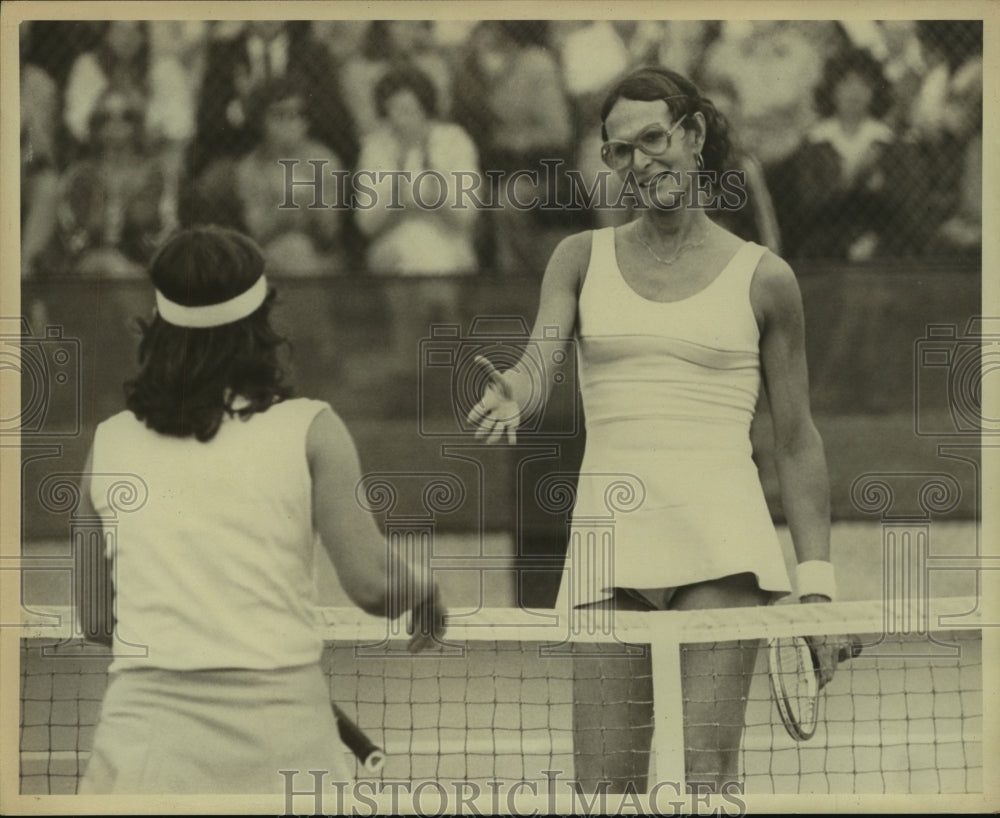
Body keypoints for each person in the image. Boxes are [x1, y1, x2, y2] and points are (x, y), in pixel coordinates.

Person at [466, 66, 850, 792]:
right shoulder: (578, 258)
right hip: (608, 547)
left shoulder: (766, 278)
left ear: (695, 135)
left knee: (706, 781)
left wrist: (819, 588)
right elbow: (541, 357)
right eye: (620, 151)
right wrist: (515, 387)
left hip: (723, 548)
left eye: (654, 139)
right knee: (602, 790)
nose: (641, 163)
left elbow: (796, 439)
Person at [76, 225, 445, 794]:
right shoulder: (313, 429)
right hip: (286, 741)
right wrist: (425, 590)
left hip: (142, 749)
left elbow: (99, 618)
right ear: (261, 321)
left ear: (159, 324)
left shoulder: (109, 441)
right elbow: (376, 586)